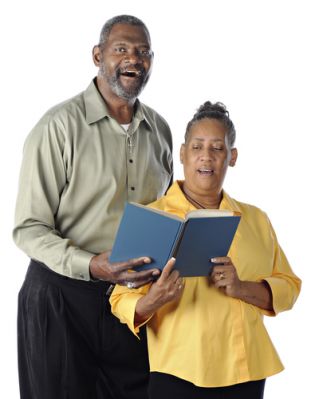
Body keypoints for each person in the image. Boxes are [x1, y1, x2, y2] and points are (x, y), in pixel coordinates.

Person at [13, 15, 173, 399]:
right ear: (98, 55)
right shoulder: (58, 127)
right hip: (61, 298)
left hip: (131, 303)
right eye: (121, 49)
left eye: (143, 52)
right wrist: (90, 264)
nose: (134, 59)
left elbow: (167, 212)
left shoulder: (162, 132)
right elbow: (28, 228)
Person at [110, 101, 301, 399]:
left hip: (246, 370)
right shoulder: (150, 218)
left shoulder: (255, 219)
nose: (206, 157)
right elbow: (120, 298)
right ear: (183, 153)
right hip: (178, 371)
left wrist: (240, 287)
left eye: (217, 148)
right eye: (197, 147)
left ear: (232, 156)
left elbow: (288, 287)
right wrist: (152, 300)